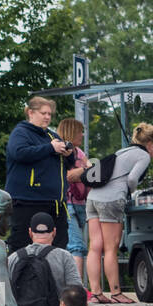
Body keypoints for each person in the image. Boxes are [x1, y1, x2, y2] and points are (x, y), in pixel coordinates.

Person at [85, 123, 153, 304]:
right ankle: (116, 293)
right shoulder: (143, 155)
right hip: (111, 200)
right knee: (111, 248)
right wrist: (131, 192)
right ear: (150, 143)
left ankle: (95, 293)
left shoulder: (123, 151)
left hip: (93, 198)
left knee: (95, 247)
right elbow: (133, 178)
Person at [4, 96, 73, 254]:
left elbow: (69, 164)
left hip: (55, 204)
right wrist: (49, 148)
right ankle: (16, 277)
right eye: (43, 113)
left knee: (58, 249)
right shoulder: (21, 132)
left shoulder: (52, 136)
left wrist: (69, 154)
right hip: (27, 201)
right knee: (22, 246)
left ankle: (53, 278)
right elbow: (19, 153)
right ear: (30, 112)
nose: (47, 117)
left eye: (49, 114)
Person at [8, 211, 83, 306]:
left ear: (30, 232)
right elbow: (76, 295)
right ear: (54, 232)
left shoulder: (13, 259)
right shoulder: (64, 257)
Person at [58, 118, 90, 282]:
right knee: (77, 246)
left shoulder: (79, 152)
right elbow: (89, 171)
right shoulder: (68, 152)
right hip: (71, 203)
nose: (82, 135)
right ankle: (77, 287)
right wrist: (83, 171)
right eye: (79, 131)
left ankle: (76, 284)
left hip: (78, 203)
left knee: (76, 246)